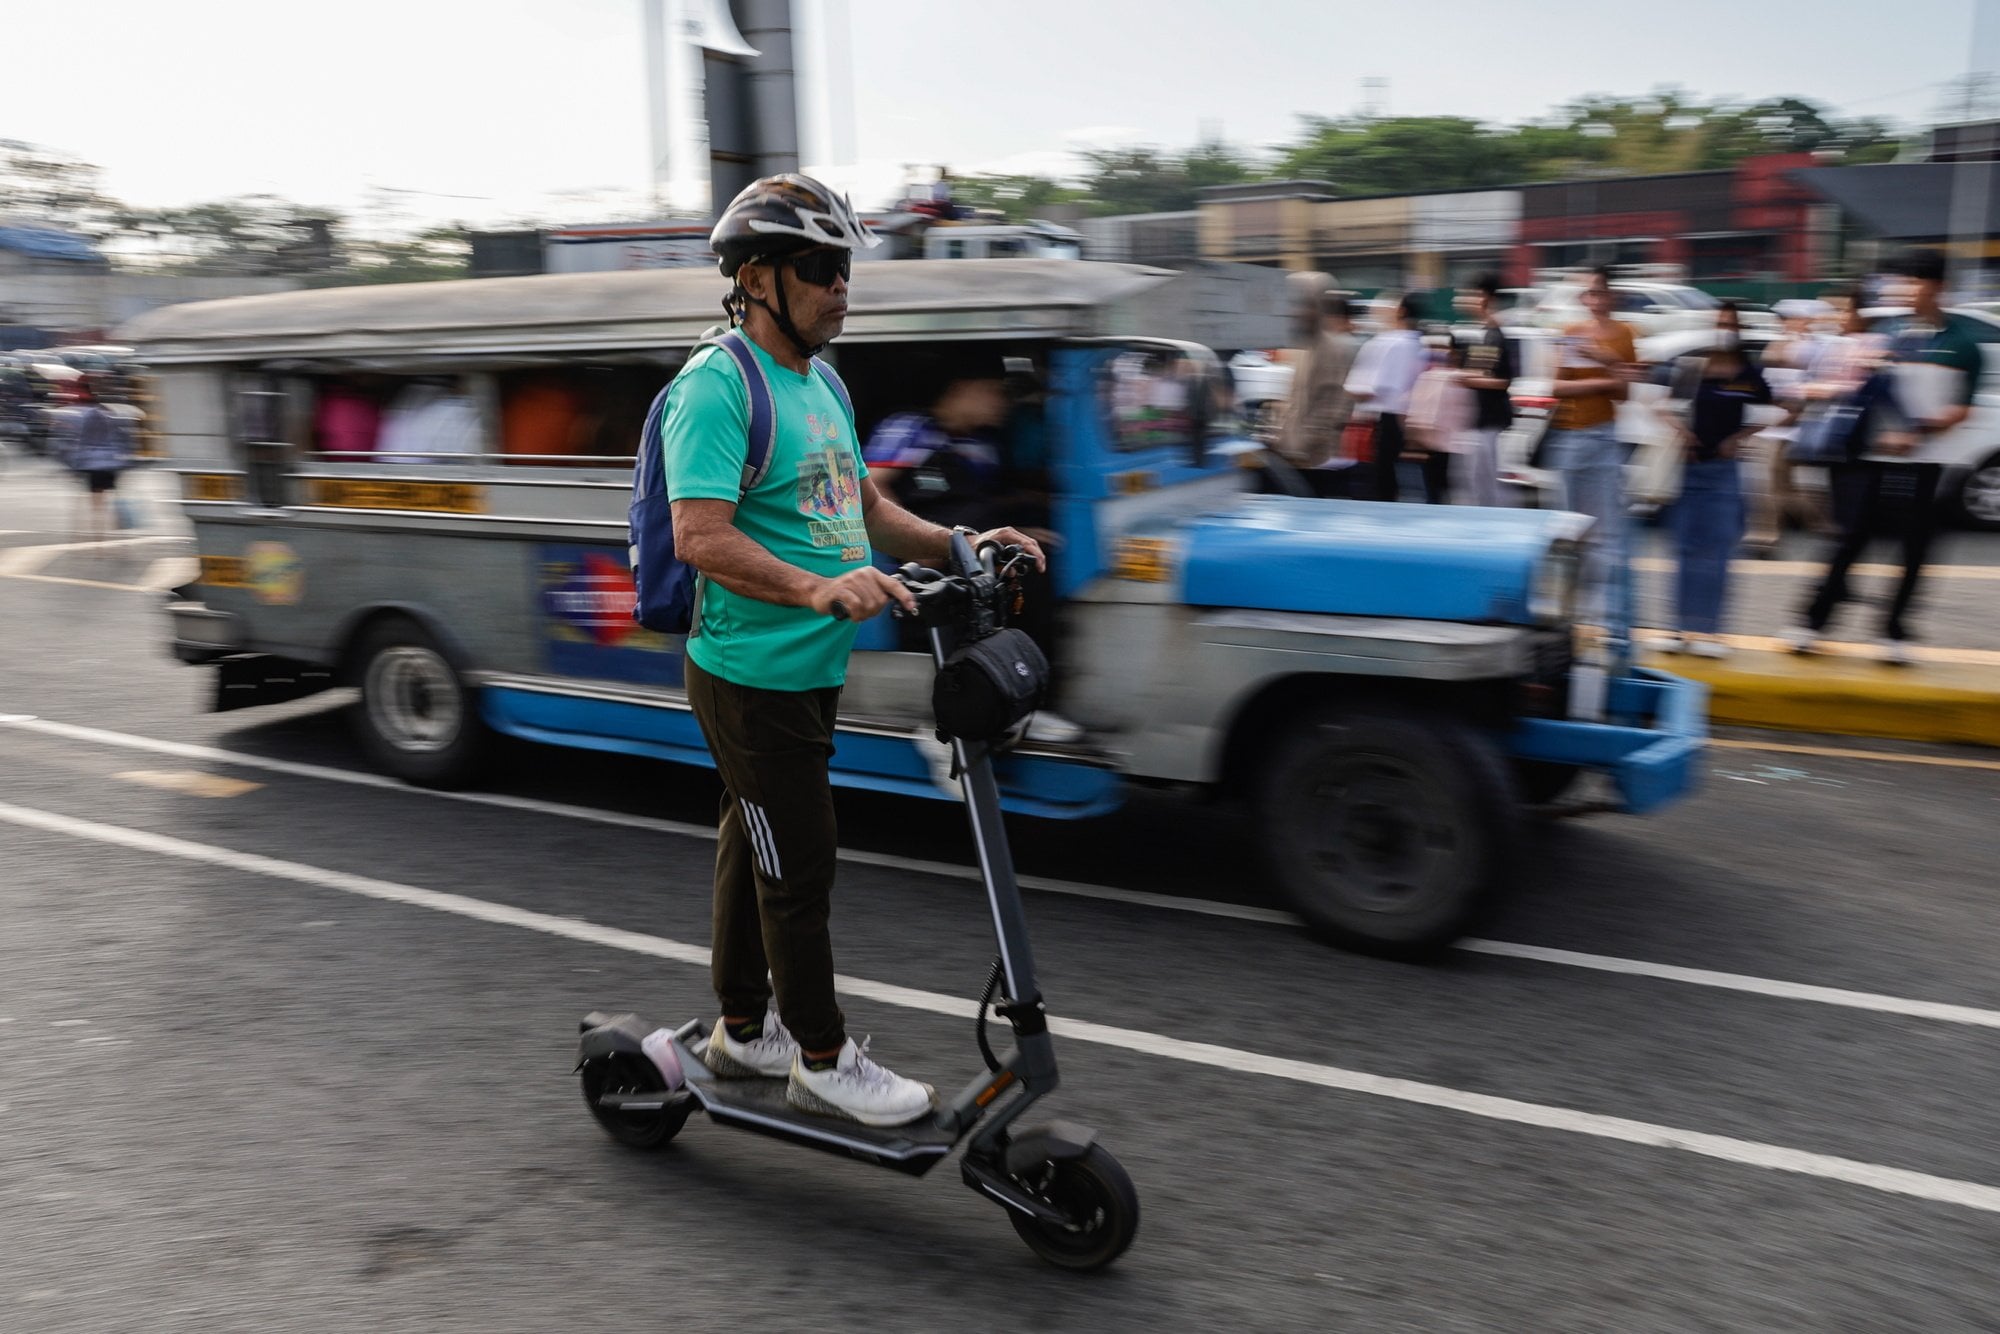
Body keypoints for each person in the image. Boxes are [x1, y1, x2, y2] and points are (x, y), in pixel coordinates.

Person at [661, 174, 1046, 1127]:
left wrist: (963, 546)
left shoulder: (822, 382)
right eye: (818, 269)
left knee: (753, 841)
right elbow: (698, 535)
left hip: (807, 668)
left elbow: (863, 509)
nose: (841, 286)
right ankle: (820, 1057)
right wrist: (816, 587)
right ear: (755, 278)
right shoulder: (716, 386)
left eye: (843, 268)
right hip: (750, 670)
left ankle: (745, 1030)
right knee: (800, 863)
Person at [861, 349, 1080, 744]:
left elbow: (984, 503)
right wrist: (918, 550)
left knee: (1030, 570)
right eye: (993, 392)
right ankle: (947, 723)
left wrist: (1027, 522)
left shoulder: (982, 445)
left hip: (971, 548)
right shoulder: (909, 430)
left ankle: (1022, 700)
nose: (1002, 403)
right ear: (962, 392)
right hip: (924, 560)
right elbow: (875, 492)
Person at [1789, 254, 1976, 664]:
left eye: (1915, 283)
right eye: (1903, 283)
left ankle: (1894, 631)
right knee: (1849, 540)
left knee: (1914, 550)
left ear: (1937, 287)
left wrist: (1917, 432)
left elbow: (1962, 409)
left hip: (1927, 464)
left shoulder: (1961, 344)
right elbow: (1861, 388)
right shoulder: (1887, 335)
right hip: (1869, 459)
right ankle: (1811, 623)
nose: (1906, 291)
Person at [1652, 302, 1770, 657]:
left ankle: (1709, 633)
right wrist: (1680, 432)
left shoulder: (1748, 374)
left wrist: (1740, 438)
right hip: (1687, 468)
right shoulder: (1693, 367)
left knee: (1717, 552)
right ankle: (1677, 630)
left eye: (1731, 324)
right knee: (1684, 549)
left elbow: (1777, 410)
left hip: (1724, 471)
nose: (1725, 329)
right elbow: (1660, 404)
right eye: (1720, 323)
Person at [1544, 266, 1640, 624]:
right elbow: (1557, 388)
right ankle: (1570, 609)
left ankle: (1605, 614)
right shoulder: (1572, 333)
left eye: (1600, 292)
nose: (1594, 299)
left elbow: (1625, 392)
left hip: (1603, 433)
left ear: (1612, 295)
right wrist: (1600, 382)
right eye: (1588, 293)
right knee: (1569, 526)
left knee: (1607, 528)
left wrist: (1607, 361)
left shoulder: (1624, 334)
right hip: (1569, 434)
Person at [1274, 273, 1359, 497]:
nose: (1297, 312)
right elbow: (1293, 399)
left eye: (1306, 305)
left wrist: (1305, 445)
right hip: (1295, 457)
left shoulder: (1337, 349)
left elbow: (1336, 408)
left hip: (1322, 462)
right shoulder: (1302, 348)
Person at [1343, 292, 1428, 501]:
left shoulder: (1385, 342)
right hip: (1414, 421)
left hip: (1382, 420)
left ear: (1400, 311)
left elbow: (1363, 389)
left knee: (1380, 484)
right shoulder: (1420, 345)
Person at [1452, 273, 1517, 508]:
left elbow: (1501, 381)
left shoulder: (1495, 335)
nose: (1463, 300)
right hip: (1479, 422)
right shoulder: (1484, 333)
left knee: (1487, 487)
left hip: (1488, 422)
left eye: (1469, 295)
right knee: (1478, 485)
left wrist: (1464, 378)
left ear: (1484, 298)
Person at [62, 377, 133, 541]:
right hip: (110, 463)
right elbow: (121, 438)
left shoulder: (82, 415)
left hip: (91, 464)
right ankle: (122, 539)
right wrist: (125, 461)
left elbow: (79, 441)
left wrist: (74, 465)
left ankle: (98, 540)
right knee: (113, 502)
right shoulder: (111, 414)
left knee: (96, 505)